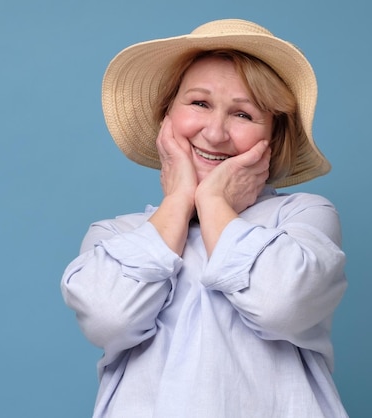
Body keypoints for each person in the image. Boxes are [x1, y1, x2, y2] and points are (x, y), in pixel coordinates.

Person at [61, 18, 349, 418]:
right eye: (199, 103)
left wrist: (213, 200)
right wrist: (179, 198)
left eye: (244, 115)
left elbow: (281, 305)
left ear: (273, 137)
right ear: (166, 118)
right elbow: (111, 319)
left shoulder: (300, 216)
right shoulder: (114, 235)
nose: (215, 133)